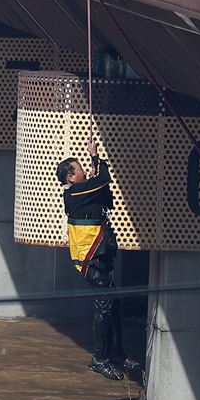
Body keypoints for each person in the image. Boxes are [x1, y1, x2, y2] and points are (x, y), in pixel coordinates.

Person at [56, 141, 135, 381]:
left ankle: (117, 352)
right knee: (104, 308)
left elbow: (104, 194)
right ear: (71, 177)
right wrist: (95, 156)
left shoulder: (83, 191)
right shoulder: (73, 193)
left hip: (102, 254)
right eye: (79, 169)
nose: (83, 171)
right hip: (91, 260)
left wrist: (94, 172)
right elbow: (103, 180)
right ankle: (99, 359)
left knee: (114, 304)